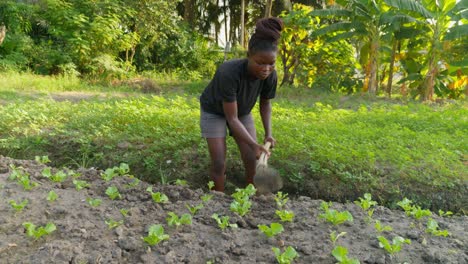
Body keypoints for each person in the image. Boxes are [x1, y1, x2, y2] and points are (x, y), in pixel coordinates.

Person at [199, 17, 284, 192]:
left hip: (242, 111)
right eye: (260, 63)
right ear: (249, 56)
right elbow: (231, 118)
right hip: (214, 111)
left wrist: (268, 134)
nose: (266, 68)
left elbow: (265, 104)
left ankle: (248, 202)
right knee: (218, 162)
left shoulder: (270, 75)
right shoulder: (229, 72)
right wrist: (254, 144)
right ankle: (217, 199)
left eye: (271, 64)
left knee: (252, 160)